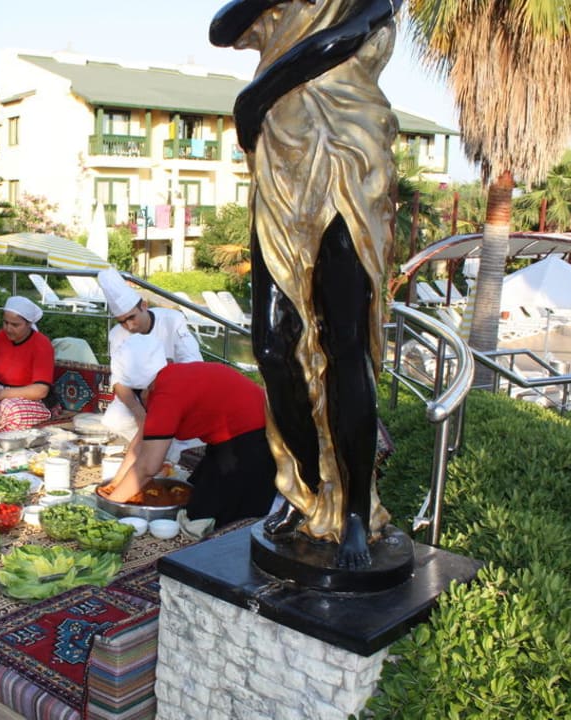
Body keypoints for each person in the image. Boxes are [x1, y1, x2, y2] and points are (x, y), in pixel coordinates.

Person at [210, 0, 400, 567]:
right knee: (273, 348)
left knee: (344, 346)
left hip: (348, 158)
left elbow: (339, 39)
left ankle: (356, 511)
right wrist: (260, 100)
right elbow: (223, 28)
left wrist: (257, 94)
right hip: (280, 166)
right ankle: (312, 494)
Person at [102, 334, 277, 527]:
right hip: (234, 437)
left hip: (256, 441)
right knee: (195, 492)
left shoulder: (166, 395)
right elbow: (143, 439)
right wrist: (116, 482)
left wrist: (110, 508)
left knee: (214, 518)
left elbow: (148, 467)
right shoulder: (169, 377)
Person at [96, 267, 202, 444]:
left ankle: (165, 452)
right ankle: (146, 446)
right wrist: (139, 413)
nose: (129, 326)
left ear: (144, 306)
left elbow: (193, 363)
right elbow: (119, 380)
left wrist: (158, 383)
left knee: (178, 429)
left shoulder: (172, 320)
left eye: (132, 317)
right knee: (113, 420)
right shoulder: (116, 335)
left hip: (176, 390)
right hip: (138, 395)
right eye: (122, 322)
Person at [0, 296, 56, 432]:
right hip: (0, 392)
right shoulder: (1, 336)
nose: (8, 328)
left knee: (8, 409)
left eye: (15, 325)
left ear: (29, 324)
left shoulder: (42, 344)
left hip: (31, 400)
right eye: (5, 322)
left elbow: (40, 390)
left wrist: (1, 394)